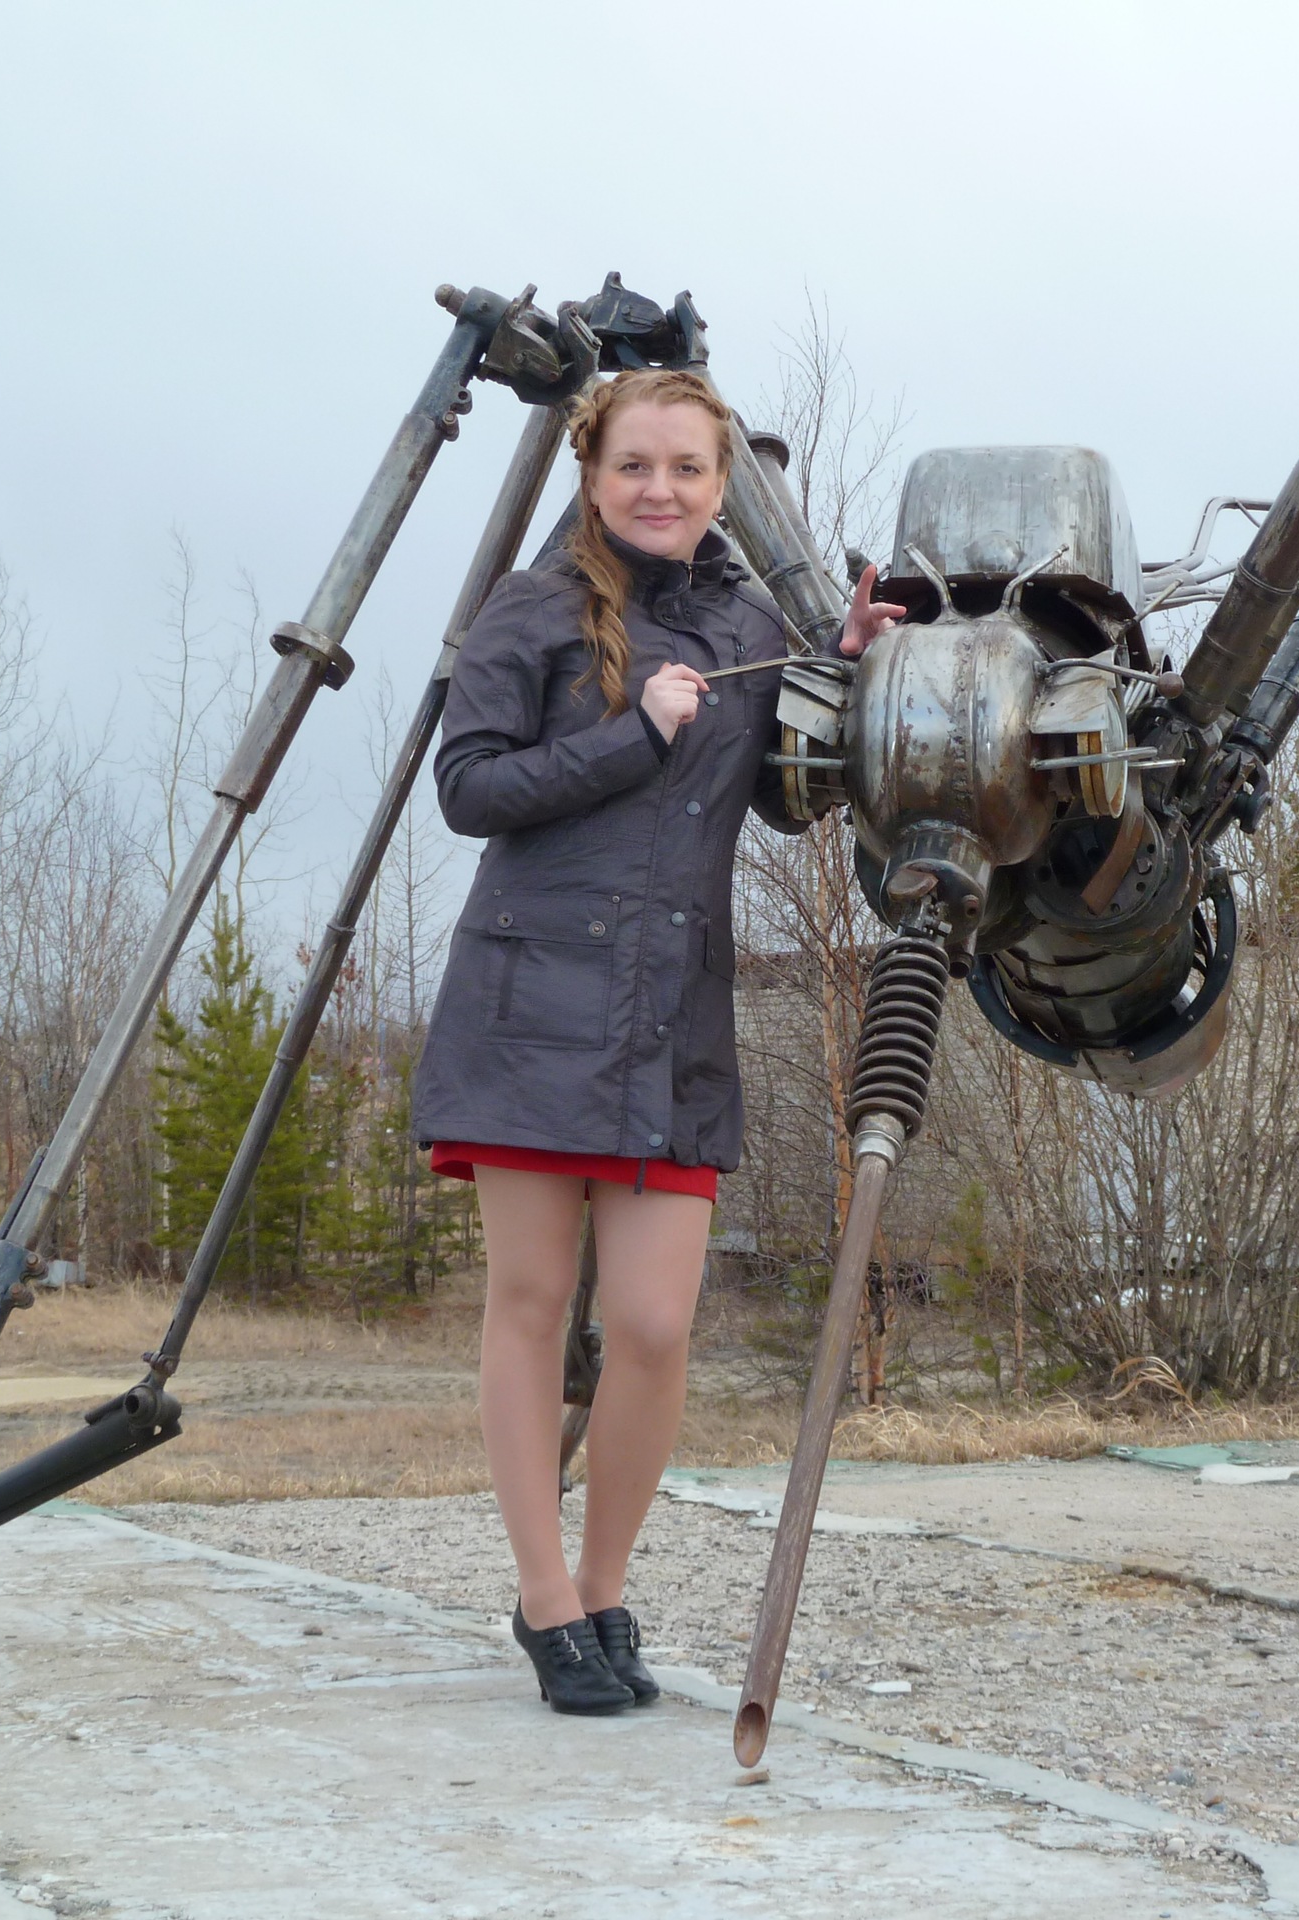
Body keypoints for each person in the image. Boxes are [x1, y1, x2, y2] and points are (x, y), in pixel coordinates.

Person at [412, 368, 903, 1714]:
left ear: (720, 483)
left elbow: (790, 802)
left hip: (671, 1017)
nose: (661, 489)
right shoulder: (531, 606)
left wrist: (845, 672)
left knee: (653, 1324)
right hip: (530, 1002)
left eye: (688, 468)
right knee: (528, 1306)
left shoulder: (748, 623)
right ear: (591, 472)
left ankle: (607, 1581)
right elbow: (468, 787)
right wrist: (633, 735)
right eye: (635, 464)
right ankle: (545, 1598)